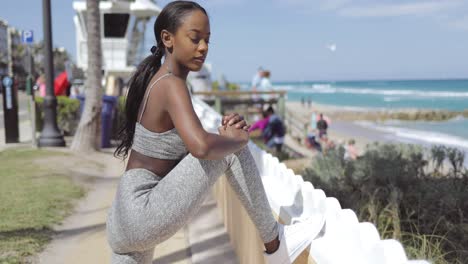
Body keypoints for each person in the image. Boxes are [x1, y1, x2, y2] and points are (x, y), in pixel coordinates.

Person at [107, 2, 325, 264]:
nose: (203, 47)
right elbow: (201, 148)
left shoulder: (159, 78)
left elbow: (192, 140)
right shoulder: (171, 85)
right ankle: (276, 243)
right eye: (195, 38)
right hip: (141, 211)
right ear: (168, 38)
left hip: (123, 217)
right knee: (232, 152)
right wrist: (237, 139)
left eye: (207, 40)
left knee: (227, 146)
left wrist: (224, 134)